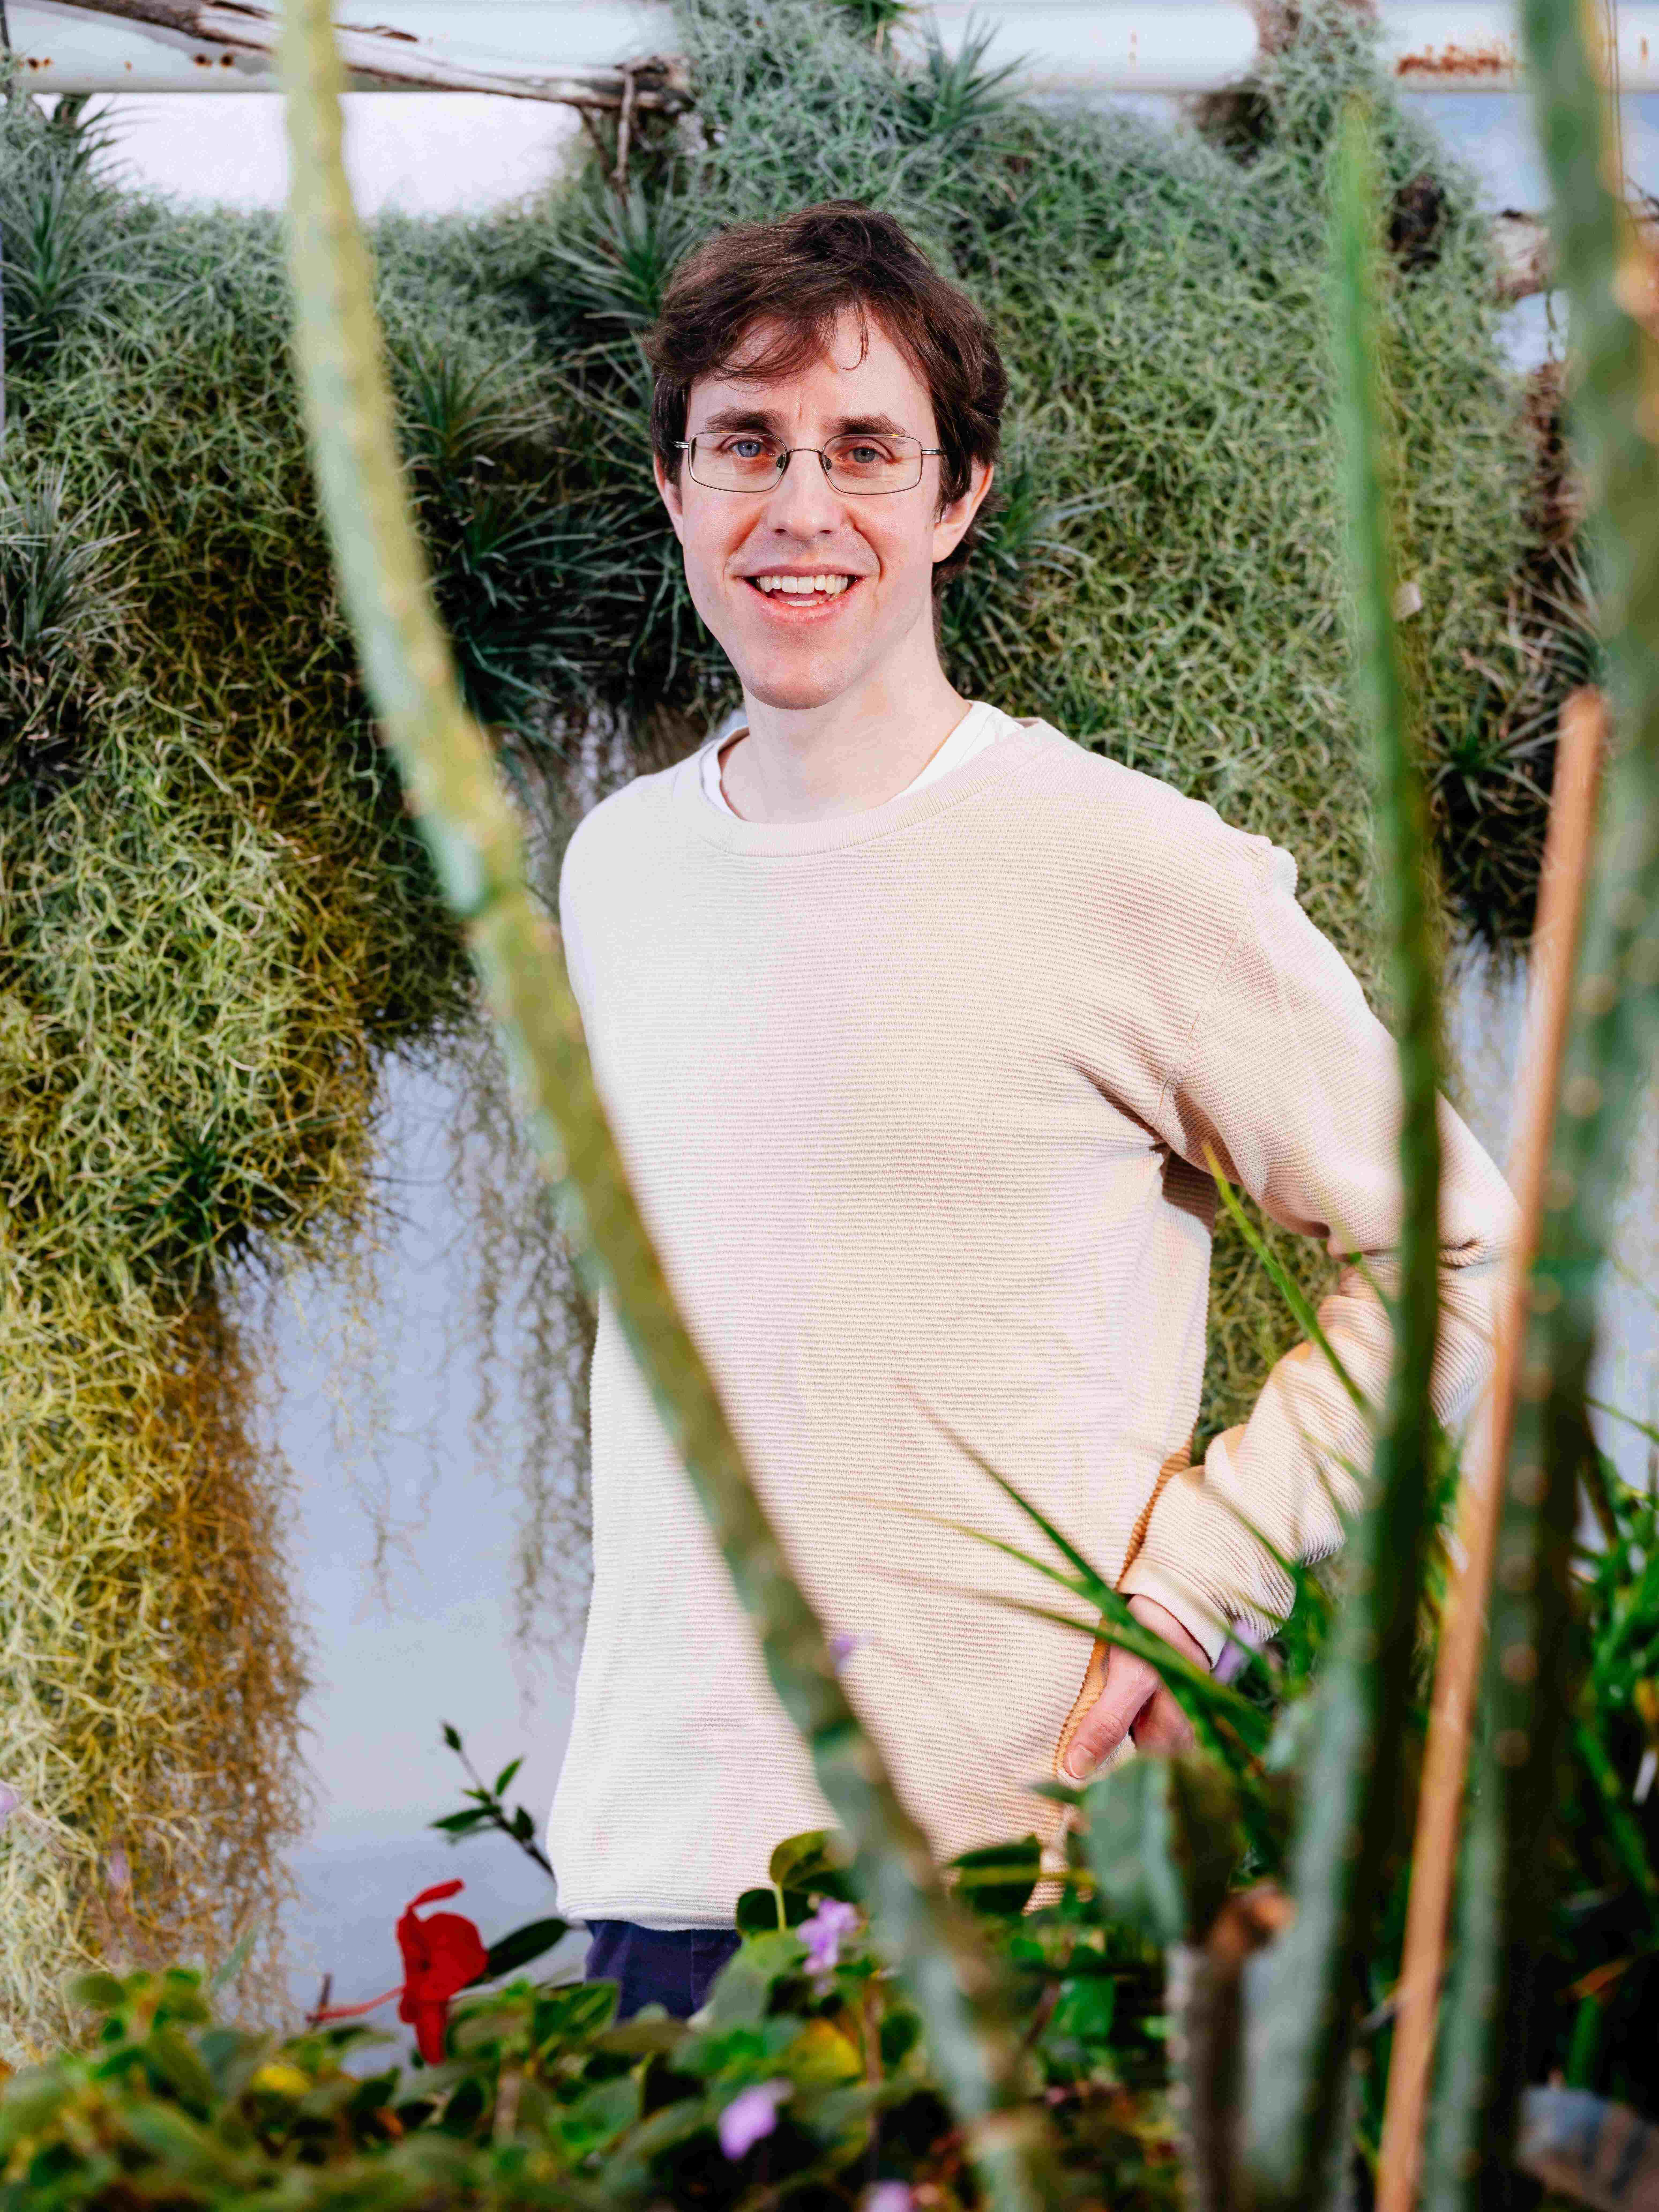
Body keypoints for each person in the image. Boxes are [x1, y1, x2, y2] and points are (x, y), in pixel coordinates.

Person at [548, 201, 1518, 2020]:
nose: (802, 509)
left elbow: (1464, 1250)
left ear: (958, 498)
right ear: (675, 486)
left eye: (865, 452)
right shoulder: (621, 873)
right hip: (654, 1876)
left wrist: (1199, 1587)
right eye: (746, 446)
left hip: (1005, 1870)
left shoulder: (1126, 867)